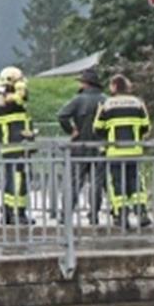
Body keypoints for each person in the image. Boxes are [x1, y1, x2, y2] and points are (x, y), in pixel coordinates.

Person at [93, 74, 152, 229]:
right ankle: (142, 212)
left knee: (117, 183)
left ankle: (122, 214)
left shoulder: (107, 104)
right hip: (134, 150)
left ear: (114, 86)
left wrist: (108, 137)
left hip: (115, 151)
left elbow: (97, 128)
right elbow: (146, 126)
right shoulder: (138, 103)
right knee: (136, 181)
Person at [57, 67, 108, 224]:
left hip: (79, 147)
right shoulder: (105, 100)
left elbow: (62, 115)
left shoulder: (78, 100)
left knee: (74, 182)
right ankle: (94, 215)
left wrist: (72, 131)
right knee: (97, 183)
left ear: (86, 84)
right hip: (100, 147)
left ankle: (66, 215)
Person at [0, 66, 35, 226]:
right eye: (18, 81)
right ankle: (16, 213)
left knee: (14, 179)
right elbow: (22, 97)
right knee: (18, 180)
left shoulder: (3, 98)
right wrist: (21, 87)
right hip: (15, 145)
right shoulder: (7, 99)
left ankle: (10, 212)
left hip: (15, 145)